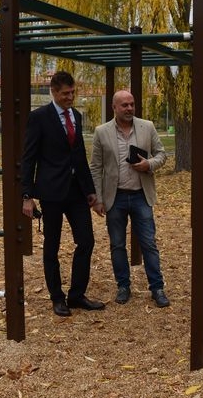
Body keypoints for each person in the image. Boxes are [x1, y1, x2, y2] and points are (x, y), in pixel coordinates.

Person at [20, 70, 104, 317]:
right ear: (54, 92)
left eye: (72, 92)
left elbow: (79, 156)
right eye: (66, 93)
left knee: (86, 241)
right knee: (52, 246)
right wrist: (27, 196)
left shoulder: (75, 116)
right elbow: (28, 158)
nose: (70, 97)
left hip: (76, 192)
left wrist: (90, 191)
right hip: (51, 192)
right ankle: (57, 297)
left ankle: (76, 295)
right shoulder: (39, 117)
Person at [90, 90, 170, 308]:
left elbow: (162, 154)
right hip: (114, 197)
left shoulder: (147, 127)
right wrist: (97, 199)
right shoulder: (101, 132)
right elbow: (95, 167)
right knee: (117, 245)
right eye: (124, 105)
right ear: (114, 107)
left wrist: (148, 164)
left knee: (149, 243)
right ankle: (123, 286)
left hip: (140, 195)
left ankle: (157, 288)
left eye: (132, 104)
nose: (129, 108)